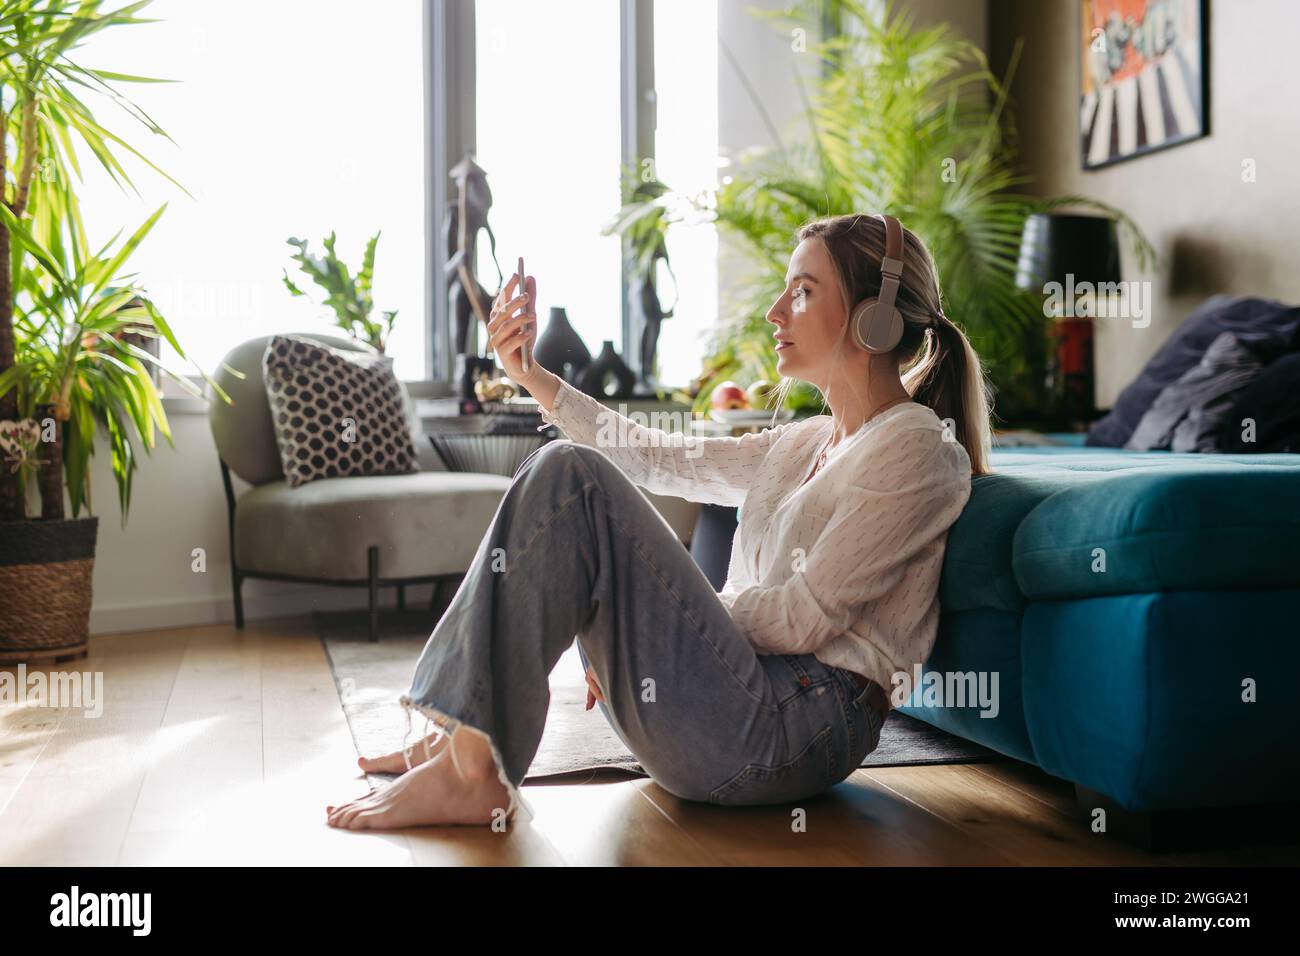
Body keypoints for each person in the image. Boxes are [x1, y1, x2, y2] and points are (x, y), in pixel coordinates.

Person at [325, 213, 989, 830]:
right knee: (560, 469)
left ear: (873, 317)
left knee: (568, 477)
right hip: (740, 707)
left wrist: (668, 619)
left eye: (803, 291)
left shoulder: (916, 448)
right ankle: (461, 741)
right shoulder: (804, 442)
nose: (774, 311)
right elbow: (658, 458)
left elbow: (805, 618)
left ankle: (474, 773)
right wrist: (532, 377)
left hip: (792, 731)